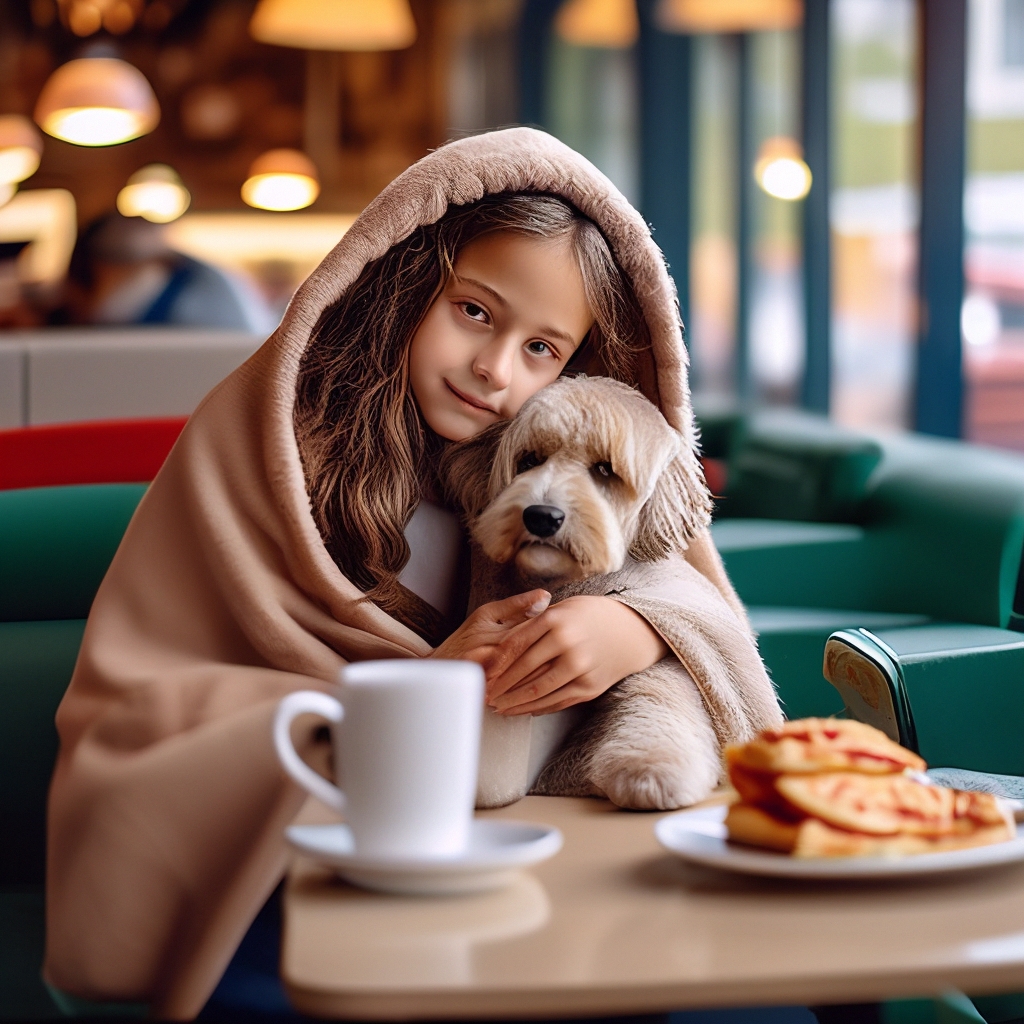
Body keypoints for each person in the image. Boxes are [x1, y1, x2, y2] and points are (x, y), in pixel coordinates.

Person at [44, 128, 778, 1020]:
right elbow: (143, 712)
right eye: (474, 311)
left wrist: (635, 627)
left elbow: (685, 591)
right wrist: (413, 698)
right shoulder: (262, 446)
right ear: (405, 281)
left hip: (515, 868)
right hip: (298, 875)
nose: (495, 369)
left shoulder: (527, 465)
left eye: (543, 349)